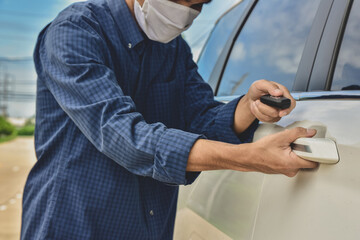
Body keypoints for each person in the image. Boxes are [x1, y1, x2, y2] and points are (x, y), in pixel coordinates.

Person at [21, 0, 318, 239]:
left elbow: (201, 118)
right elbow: (120, 133)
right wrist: (245, 157)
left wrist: (247, 106)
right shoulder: (75, 31)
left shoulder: (175, 49)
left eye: (198, 5)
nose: (186, 13)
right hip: (75, 224)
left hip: (150, 227)